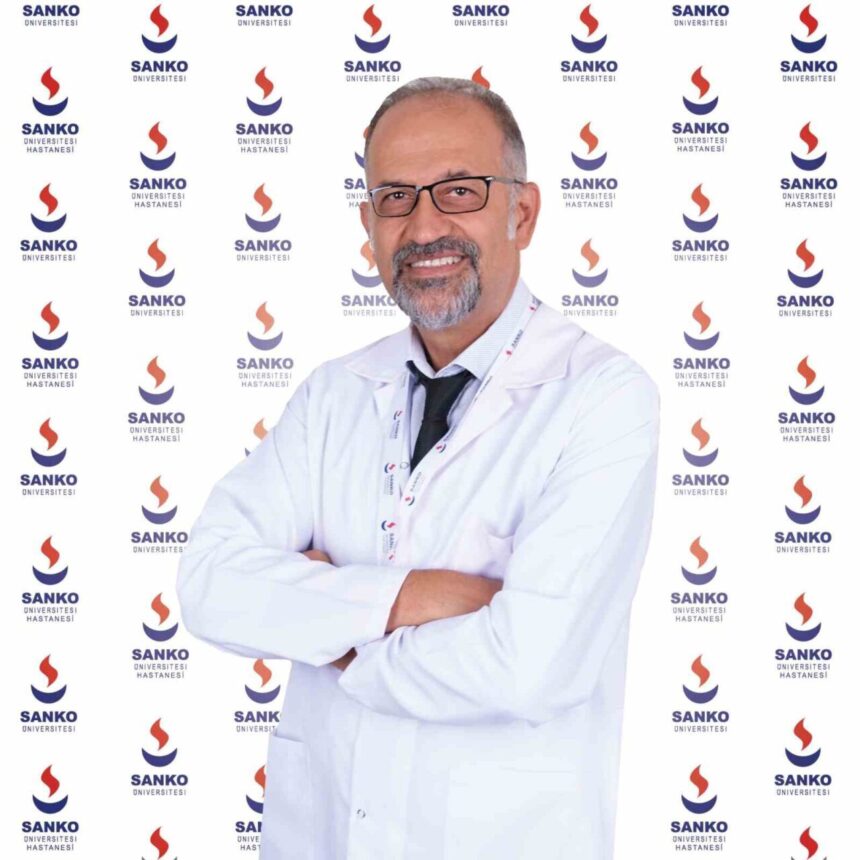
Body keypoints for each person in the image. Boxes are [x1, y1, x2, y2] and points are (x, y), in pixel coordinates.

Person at [177, 76, 660, 860]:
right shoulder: (334, 393)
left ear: (522, 213)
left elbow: (530, 666)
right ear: (368, 226)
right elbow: (210, 584)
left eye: (459, 191)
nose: (425, 225)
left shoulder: (602, 397)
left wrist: (330, 633)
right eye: (395, 198)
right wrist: (416, 598)